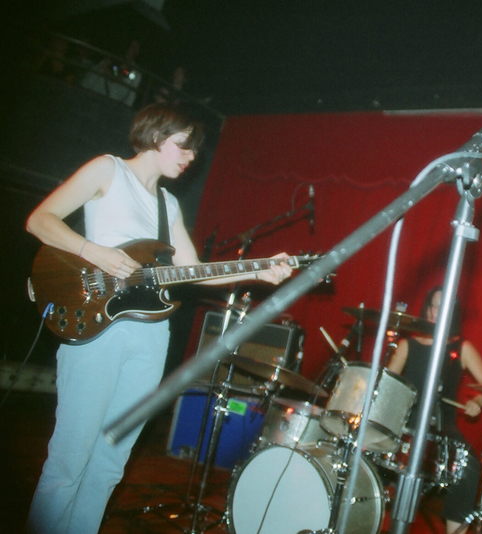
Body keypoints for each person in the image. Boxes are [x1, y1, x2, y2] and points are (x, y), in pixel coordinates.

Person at [24, 103, 294, 534]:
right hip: (99, 331)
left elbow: (194, 270)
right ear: (156, 135)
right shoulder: (106, 170)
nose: (190, 158)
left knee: (110, 464)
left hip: (150, 339)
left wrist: (258, 269)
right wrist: (95, 253)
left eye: (193, 151)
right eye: (184, 146)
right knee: (69, 462)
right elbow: (40, 220)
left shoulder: (168, 205)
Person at [387, 286, 482, 534]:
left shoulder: (462, 347)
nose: (436, 311)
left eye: (443, 306)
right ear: (427, 308)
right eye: (433, 304)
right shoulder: (407, 345)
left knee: (469, 468)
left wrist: (477, 402)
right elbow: (386, 385)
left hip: (443, 430)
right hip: (407, 428)